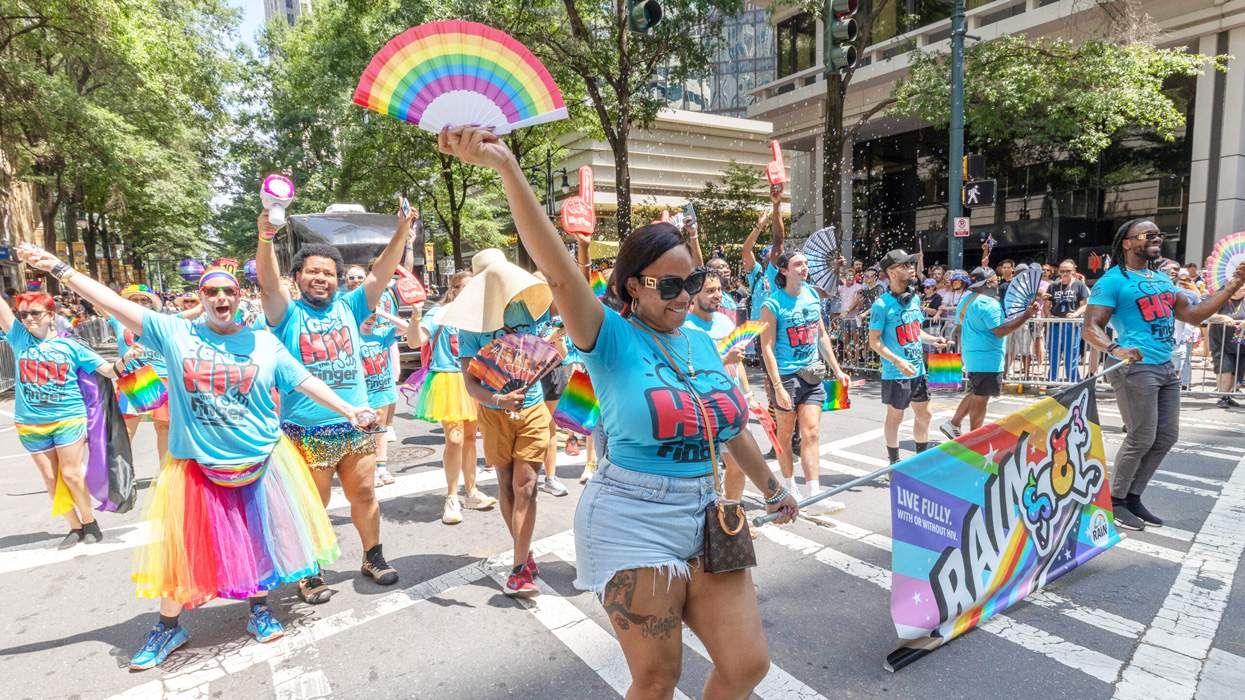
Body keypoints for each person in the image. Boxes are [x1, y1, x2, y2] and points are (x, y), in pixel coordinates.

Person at [439, 125, 798, 697]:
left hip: (708, 513)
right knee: (657, 679)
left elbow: (730, 428)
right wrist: (507, 166)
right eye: (671, 284)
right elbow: (558, 270)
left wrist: (774, 488)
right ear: (634, 285)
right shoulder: (607, 336)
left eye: (695, 281)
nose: (686, 295)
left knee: (747, 663)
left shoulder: (702, 341)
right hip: (632, 518)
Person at [16, 250, 375, 670]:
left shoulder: (263, 341)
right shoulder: (174, 333)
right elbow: (112, 303)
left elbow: (305, 379)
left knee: (258, 541)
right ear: (200, 297)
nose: (221, 297)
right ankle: (169, 626)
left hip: (262, 462)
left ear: (239, 296)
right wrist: (58, 268)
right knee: (181, 550)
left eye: (229, 290)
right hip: (198, 468)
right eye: (212, 290)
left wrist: (350, 411)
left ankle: (259, 607)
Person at [255, 207, 416, 600]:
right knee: (313, 503)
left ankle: (372, 557)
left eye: (328, 273)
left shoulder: (351, 305)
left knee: (364, 494)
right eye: (313, 272)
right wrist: (265, 239)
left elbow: (381, 272)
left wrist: (402, 231)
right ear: (298, 278)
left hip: (355, 425)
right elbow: (267, 284)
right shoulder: (286, 313)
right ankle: (309, 569)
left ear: (338, 280)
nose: (321, 279)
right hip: (305, 430)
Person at [1083, 219, 1245, 530]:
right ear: (1128, 243)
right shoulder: (1112, 280)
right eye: (1149, 234)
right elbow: (1091, 327)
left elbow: (1195, 315)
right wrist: (1116, 349)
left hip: (1165, 367)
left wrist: (1233, 284)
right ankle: (1114, 502)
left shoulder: (1161, 280)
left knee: (1166, 437)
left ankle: (1132, 497)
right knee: (1141, 436)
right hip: (1135, 368)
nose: (1158, 238)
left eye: (1159, 234)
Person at [443, 248, 554, 597]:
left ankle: (519, 570)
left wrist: (549, 358)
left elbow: (544, 355)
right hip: (494, 413)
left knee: (526, 485)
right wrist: (499, 399)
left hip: (533, 409)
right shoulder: (470, 325)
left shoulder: (530, 309)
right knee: (506, 483)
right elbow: (470, 382)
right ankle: (524, 551)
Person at [0, 290, 118, 549]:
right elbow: (3, 311)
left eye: (35, 313)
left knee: (72, 474)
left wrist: (126, 362)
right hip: (29, 422)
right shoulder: (19, 337)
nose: (28, 319)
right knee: (51, 480)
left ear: (50, 315)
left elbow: (107, 370)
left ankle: (90, 522)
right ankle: (74, 527)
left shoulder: (71, 345)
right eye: (24, 314)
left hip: (68, 417)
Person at [760, 251, 850, 511]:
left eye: (806, 264)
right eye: (798, 264)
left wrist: (838, 369)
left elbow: (821, 334)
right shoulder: (773, 304)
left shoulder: (811, 294)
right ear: (784, 271)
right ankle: (790, 489)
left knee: (811, 433)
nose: (804, 268)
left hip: (812, 375)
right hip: (787, 377)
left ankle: (814, 494)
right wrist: (777, 386)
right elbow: (767, 348)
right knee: (785, 437)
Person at [409, 271, 498, 524]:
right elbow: (416, 341)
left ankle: (471, 491)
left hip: (474, 377)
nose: (469, 292)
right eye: (463, 287)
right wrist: (415, 318)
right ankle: (451, 496)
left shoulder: (480, 314)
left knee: (470, 437)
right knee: (455, 438)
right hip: (448, 378)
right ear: (454, 289)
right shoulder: (441, 312)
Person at [868, 250, 949, 464]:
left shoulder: (913, 299)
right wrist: (897, 361)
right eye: (905, 265)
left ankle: (920, 460)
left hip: (918, 370)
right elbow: (874, 341)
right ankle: (894, 462)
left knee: (926, 415)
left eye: (910, 264)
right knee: (895, 417)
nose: (911, 268)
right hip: (896, 372)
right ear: (892, 272)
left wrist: (932, 340)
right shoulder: (881, 305)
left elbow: (915, 331)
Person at [940, 267, 1039, 438]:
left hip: (972, 357)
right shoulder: (989, 303)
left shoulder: (966, 300)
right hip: (988, 358)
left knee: (976, 392)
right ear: (988, 282)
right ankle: (974, 438)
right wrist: (1026, 316)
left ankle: (953, 424)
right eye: (994, 278)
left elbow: (959, 327)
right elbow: (1000, 331)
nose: (997, 281)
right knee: (981, 399)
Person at [684, 271, 751, 500]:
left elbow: (738, 362)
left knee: (739, 465)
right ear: (693, 296)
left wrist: (747, 393)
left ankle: (732, 514)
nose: (717, 295)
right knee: (709, 473)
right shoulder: (685, 327)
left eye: (719, 289)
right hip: (703, 408)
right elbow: (688, 368)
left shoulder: (726, 321)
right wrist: (724, 360)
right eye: (710, 291)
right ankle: (714, 518)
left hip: (731, 404)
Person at [108, 284, 173, 458]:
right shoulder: (118, 320)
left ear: (151, 303)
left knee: (163, 429)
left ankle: (164, 476)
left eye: (144, 300)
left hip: (161, 376)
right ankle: (123, 476)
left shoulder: (159, 321)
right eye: (134, 299)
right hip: (137, 378)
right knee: (126, 432)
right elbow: (98, 300)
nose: (139, 303)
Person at [1046, 259, 1089, 383]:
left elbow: (1084, 305)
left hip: (1072, 324)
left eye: (1068, 271)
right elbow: (1047, 306)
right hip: (1055, 324)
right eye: (1062, 271)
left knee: (1071, 351)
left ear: (1074, 271)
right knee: (1054, 351)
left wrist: (1075, 314)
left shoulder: (1079, 285)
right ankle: (1052, 379)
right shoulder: (1053, 285)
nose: (1064, 273)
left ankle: (1073, 378)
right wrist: (1049, 316)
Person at [1205, 285, 1245, 408]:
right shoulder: (1221, 296)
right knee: (1225, 368)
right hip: (1220, 340)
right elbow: (1207, 315)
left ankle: (1227, 396)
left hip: (1240, 340)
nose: (1243, 287)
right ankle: (1222, 397)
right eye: (1241, 285)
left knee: (1236, 370)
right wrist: (1222, 317)